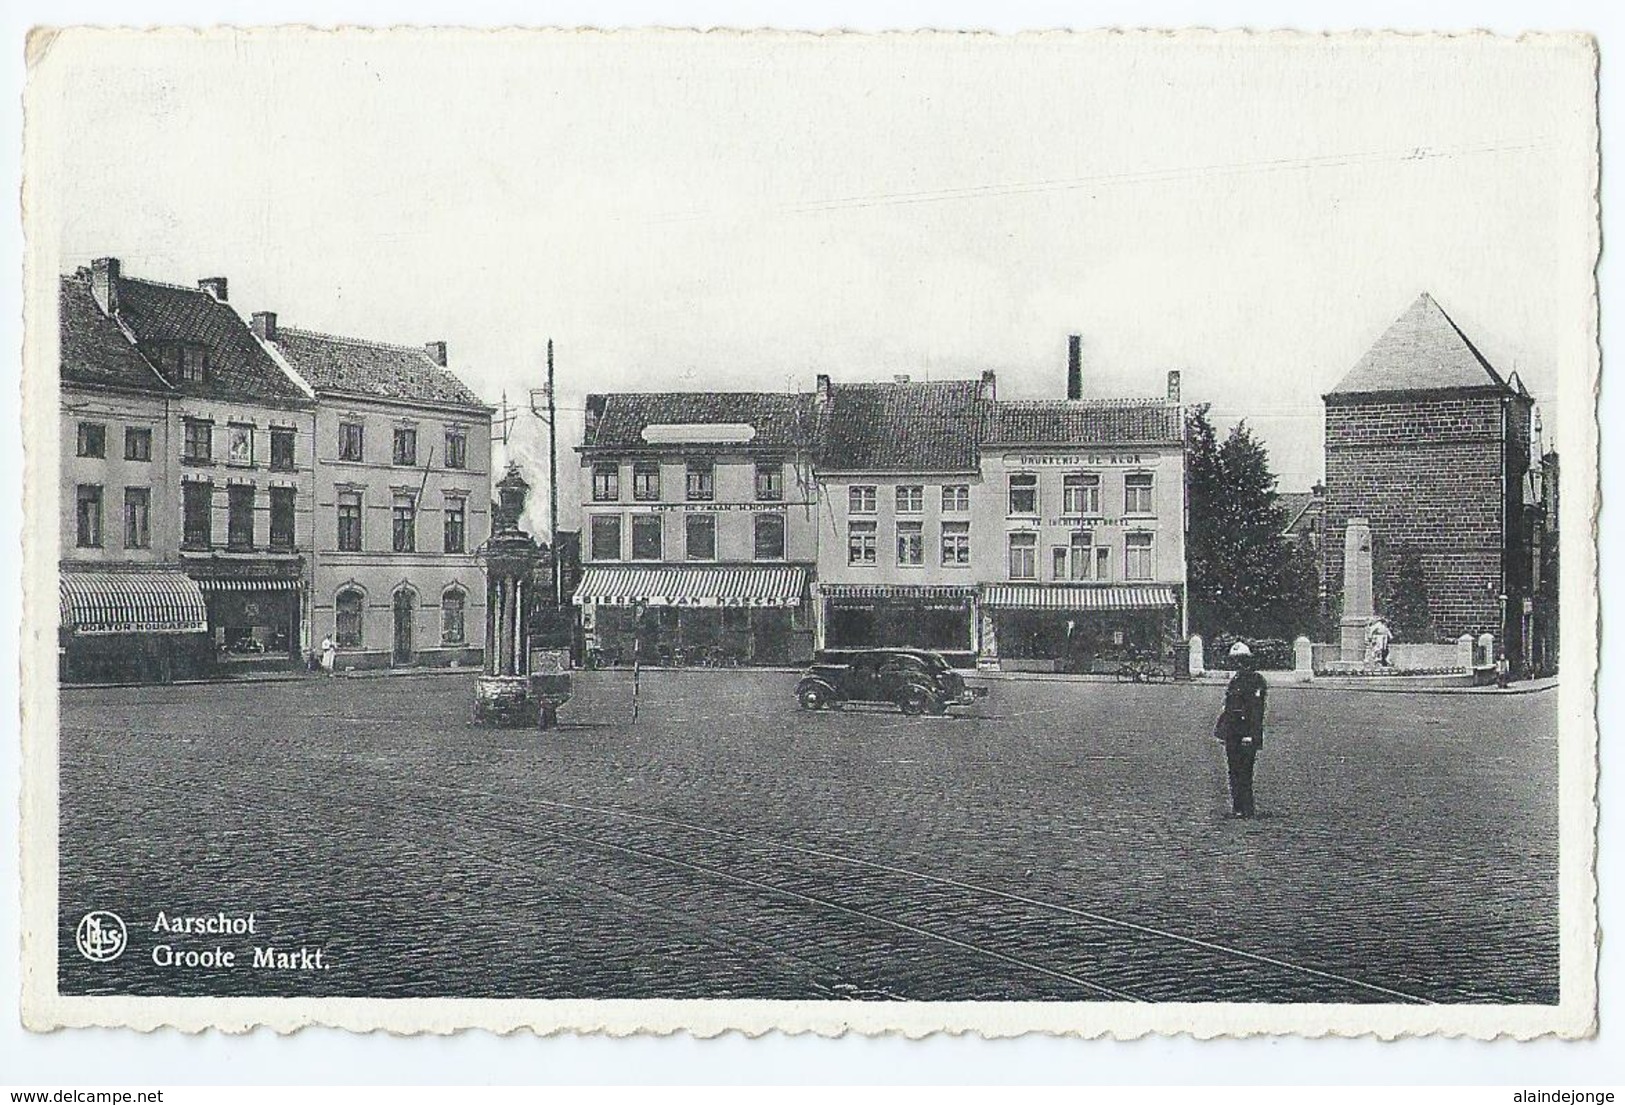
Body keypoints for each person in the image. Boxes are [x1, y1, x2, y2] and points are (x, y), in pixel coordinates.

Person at [1214, 640, 1268, 818]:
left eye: (1241, 660)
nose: (1238, 664)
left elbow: (1255, 711)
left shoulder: (1255, 681)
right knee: (1233, 770)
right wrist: (1223, 730)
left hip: (1245, 733)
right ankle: (1237, 807)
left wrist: (1250, 735)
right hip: (1233, 733)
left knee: (1245, 771)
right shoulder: (1236, 680)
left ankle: (1247, 808)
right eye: (1235, 661)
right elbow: (1229, 708)